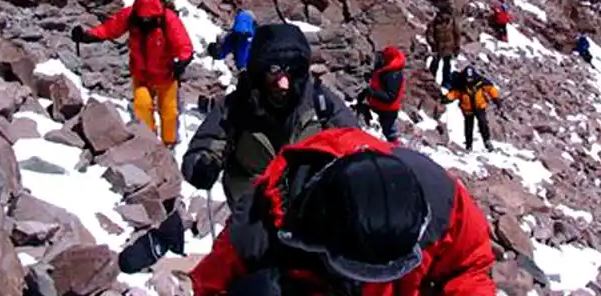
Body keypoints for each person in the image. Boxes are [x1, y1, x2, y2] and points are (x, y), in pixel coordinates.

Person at [190, 127, 498, 296]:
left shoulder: (441, 197)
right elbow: (208, 285)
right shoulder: (258, 228)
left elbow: (470, 266)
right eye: (359, 271)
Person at [182, 23, 356, 210]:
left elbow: (354, 142)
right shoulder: (237, 105)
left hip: (310, 211)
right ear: (259, 69)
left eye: (290, 71)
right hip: (253, 213)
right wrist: (202, 165)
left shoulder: (320, 102)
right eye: (274, 70)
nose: (283, 83)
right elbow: (207, 143)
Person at [72, 0, 193, 148]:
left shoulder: (168, 19)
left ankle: (168, 143)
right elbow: (109, 29)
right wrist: (88, 36)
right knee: (141, 106)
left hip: (166, 74)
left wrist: (182, 62)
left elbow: (183, 44)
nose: (145, 20)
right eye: (142, 17)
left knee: (169, 112)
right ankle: (149, 142)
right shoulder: (130, 15)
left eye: (149, 17)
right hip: (141, 73)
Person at [442, 67, 502, 152]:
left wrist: (496, 98)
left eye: (470, 79)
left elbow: (491, 89)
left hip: (480, 107)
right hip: (467, 109)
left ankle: (487, 141)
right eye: (467, 79)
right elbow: (455, 93)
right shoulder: (461, 85)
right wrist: (447, 98)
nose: (469, 81)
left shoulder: (480, 82)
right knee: (468, 127)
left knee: (483, 123)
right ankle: (469, 145)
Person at [359, 46, 406, 144]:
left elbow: (391, 96)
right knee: (385, 131)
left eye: (384, 56)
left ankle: (396, 151)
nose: (381, 58)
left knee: (390, 134)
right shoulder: (387, 69)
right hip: (380, 107)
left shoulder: (393, 74)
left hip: (387, 110)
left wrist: (373, 93)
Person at [425, 0, 460, 90]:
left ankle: (446, 83)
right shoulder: (435, 22)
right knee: (435, 64)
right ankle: (431, 79)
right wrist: (432, 43)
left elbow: (457, 34)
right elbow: (429, 33)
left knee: (447, 66)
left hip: (449, 48)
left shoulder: (452, 22)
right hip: (438, 48)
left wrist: (457, 47)